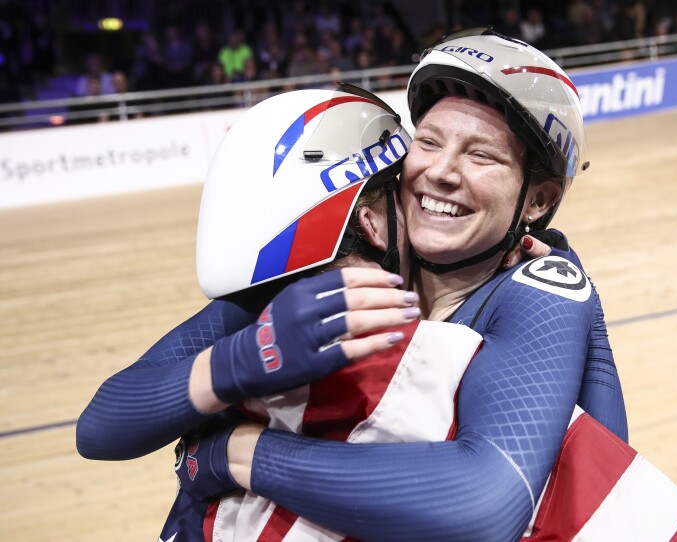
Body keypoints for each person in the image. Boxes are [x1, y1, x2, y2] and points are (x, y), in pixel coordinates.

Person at [78, 30, 627, 541]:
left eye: (481, 154)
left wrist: (235, 454)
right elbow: (101, 427)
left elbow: (486, 502)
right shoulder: (351, 248)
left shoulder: (540, 287)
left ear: (537, 200)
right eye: (429, 142)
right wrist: (238, 362)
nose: (441, 171)